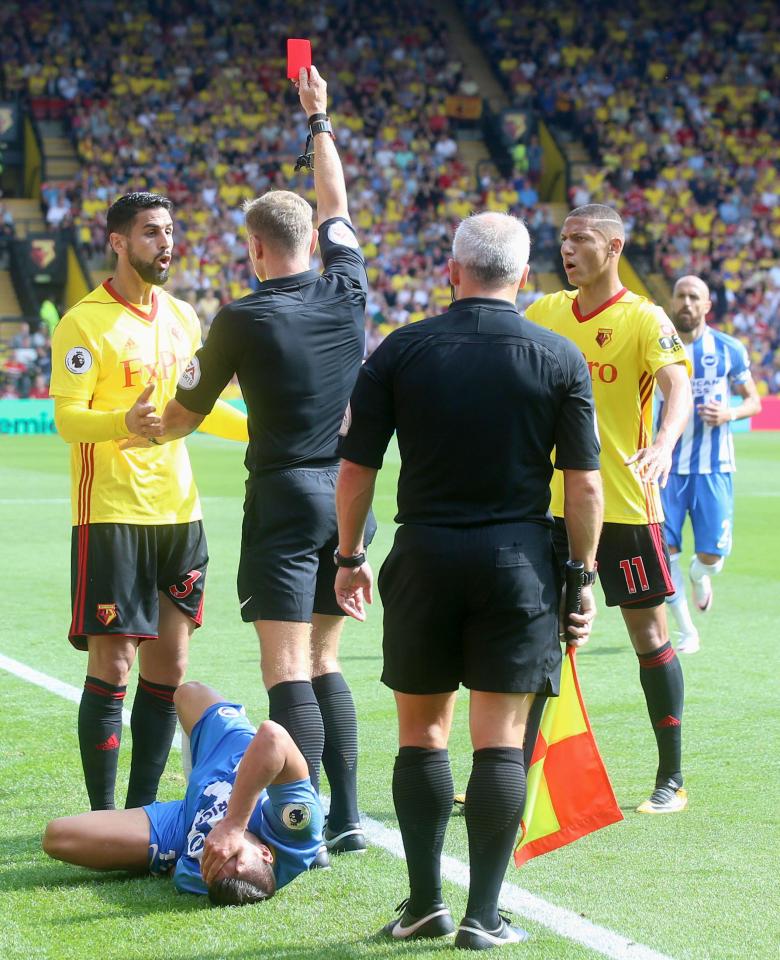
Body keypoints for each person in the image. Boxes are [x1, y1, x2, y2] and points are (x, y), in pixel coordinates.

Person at [333, 212, 603, 948]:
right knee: (499, 742)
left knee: (420, 736)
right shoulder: (558, 355)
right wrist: (579, 578)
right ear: (523, 278)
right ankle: (484, 916)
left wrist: (349, 556)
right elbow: (583, 488)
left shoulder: (403, 349)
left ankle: (423, 903)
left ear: (452, 272)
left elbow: (356, 469)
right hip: (517, 564)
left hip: (422, 556)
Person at [157, 66, 372, 860]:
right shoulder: (348, 285)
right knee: (326, 660)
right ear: (312, 243)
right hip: (347, 495)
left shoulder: (239, 319)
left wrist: (153, 422)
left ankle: (299, 824)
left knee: (288, 669)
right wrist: (317, 120)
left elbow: (181, 414)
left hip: (282, 498)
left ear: (253, 249)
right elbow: (339, 203)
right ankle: (348, 814)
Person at [49, 192, 247, 812]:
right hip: (111, 515)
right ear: (118, 242)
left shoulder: (184, 317)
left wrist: (266, 429)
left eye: (170, 231)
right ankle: (104, 815)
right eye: (151, 233)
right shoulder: (82, 323)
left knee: (169, 667)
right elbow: (67, 419)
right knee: (113, 667)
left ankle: (142, 810)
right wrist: (122, 421)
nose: (166, 243)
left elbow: (199, 410)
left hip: (180, 515)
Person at [526, 203, 693, 815]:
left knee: (648, 635)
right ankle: (515, 771)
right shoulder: (545, 312)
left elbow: (678, 384)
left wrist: (665, 443)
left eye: (581, 239)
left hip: (624, 505)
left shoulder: (645, 320)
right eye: (563, 239)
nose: (567, 249)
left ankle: (671, 777)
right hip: (546, 506)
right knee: (532, 639)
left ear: (615, 246)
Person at [43, 681, 324, 903]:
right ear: (265, 852)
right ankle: (202, 759)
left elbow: (184, 874)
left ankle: (193, 785)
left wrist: (184, 853)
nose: (214, 850)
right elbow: (273, 737)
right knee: (187, 692)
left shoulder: (199, 876)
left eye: (212, 863)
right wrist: (232, 826)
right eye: (233, 854)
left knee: (59, 838)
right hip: (230, 751)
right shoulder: (296, 832)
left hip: (183, 822)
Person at [659, 275, 762, 654]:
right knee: (663, 552)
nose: (685, 303)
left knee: (711, 557)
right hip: (666, 468)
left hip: (714, 467)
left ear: (706, 306)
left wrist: (730, 412)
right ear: (672, 302)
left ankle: (702, 575)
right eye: (680, 296)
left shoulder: (728, 348)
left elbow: (754, 402)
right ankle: (687, 631)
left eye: (693, 297)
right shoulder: (656, 344)